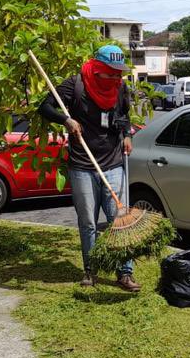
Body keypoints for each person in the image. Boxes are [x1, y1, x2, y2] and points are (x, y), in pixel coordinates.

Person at [40, 44, 140, 292]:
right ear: (97, 70)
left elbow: (124, 115)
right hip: (83, 165)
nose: (117, 78)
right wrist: (67, 119)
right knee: (88, 223)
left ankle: (124, 273)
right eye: (112, 73)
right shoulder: (75, 85)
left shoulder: (120, 87)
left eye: (119, 74)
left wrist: (127, 134)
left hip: (114, 162)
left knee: (121, 220)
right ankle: (91, 270)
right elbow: (44, 107)